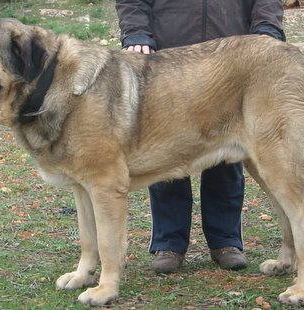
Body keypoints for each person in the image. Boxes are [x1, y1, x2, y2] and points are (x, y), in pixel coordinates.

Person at [116, 0, 286, 274]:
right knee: (163, 152)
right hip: (168, 60)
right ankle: (169, 243)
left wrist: (267, 29)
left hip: (232, 62)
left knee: (229, 151)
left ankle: (226, 241)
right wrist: (136, 33)